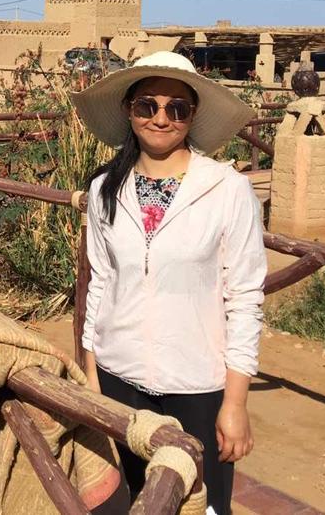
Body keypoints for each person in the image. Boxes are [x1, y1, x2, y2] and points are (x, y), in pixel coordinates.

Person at [71, 50, 267, 515]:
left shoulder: (226, 190)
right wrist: (91, 375)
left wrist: (235, 402)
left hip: (196, 385)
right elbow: (100, 284)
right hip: (118, 377)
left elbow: (244, 298)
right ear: (129, 110)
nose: (161, 118)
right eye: (148, 105)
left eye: (176, 108)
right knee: (129, 500)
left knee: (201, 504)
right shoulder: (104, 189)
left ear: (192, 115)